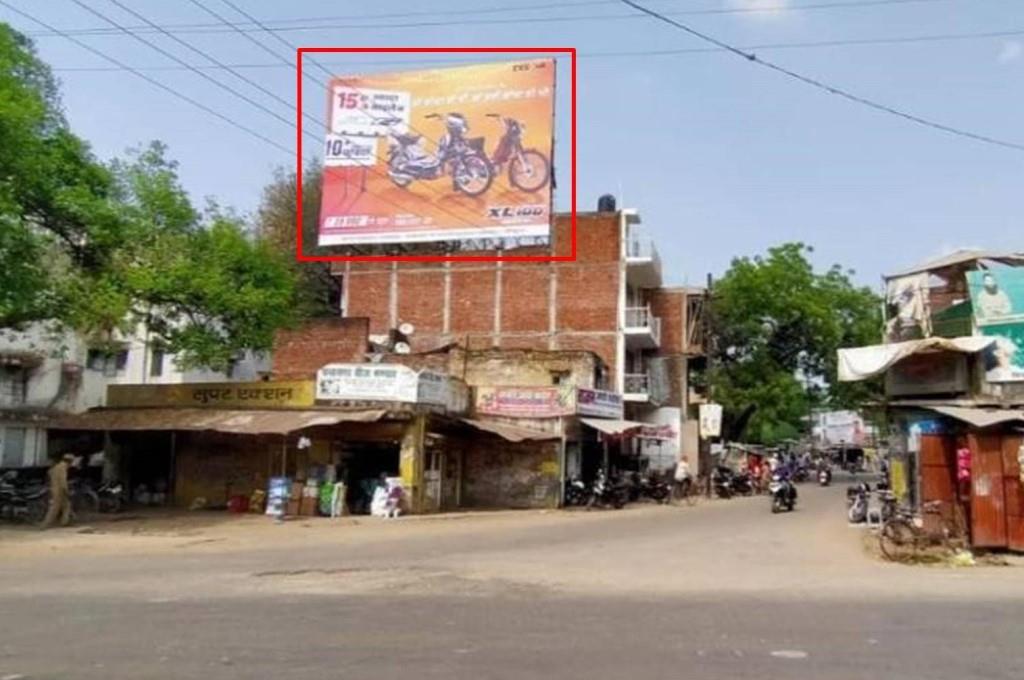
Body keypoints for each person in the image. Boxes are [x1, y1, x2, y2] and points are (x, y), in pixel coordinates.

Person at [41, 453, 75, 529]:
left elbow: (49, 473)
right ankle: (45, 524)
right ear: (69, 461)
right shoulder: (63, 468)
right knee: (54, 508)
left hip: (54, 489)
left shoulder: (56, 467)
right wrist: (67, 491)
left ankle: (64, 522)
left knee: (66, 506)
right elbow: (63, 482)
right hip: (60, 491)